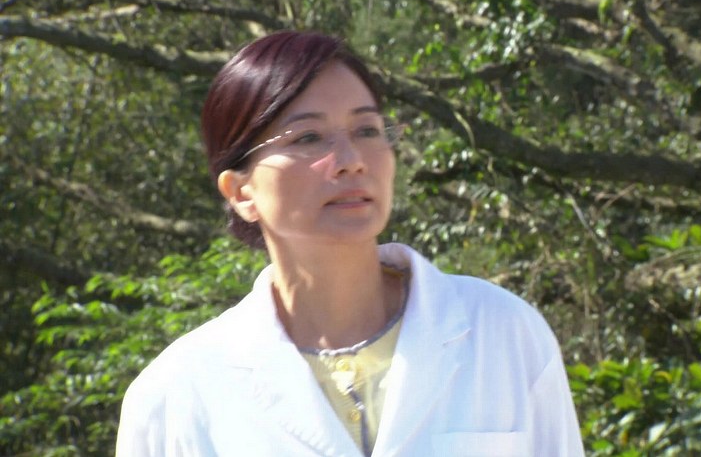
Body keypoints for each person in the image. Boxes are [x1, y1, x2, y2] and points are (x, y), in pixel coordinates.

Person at [115, 30, 584, 457]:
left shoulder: (502, 334)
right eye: (309, 137)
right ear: (241, 192)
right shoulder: (176, 396)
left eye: (367, 130)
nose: (351, 159)